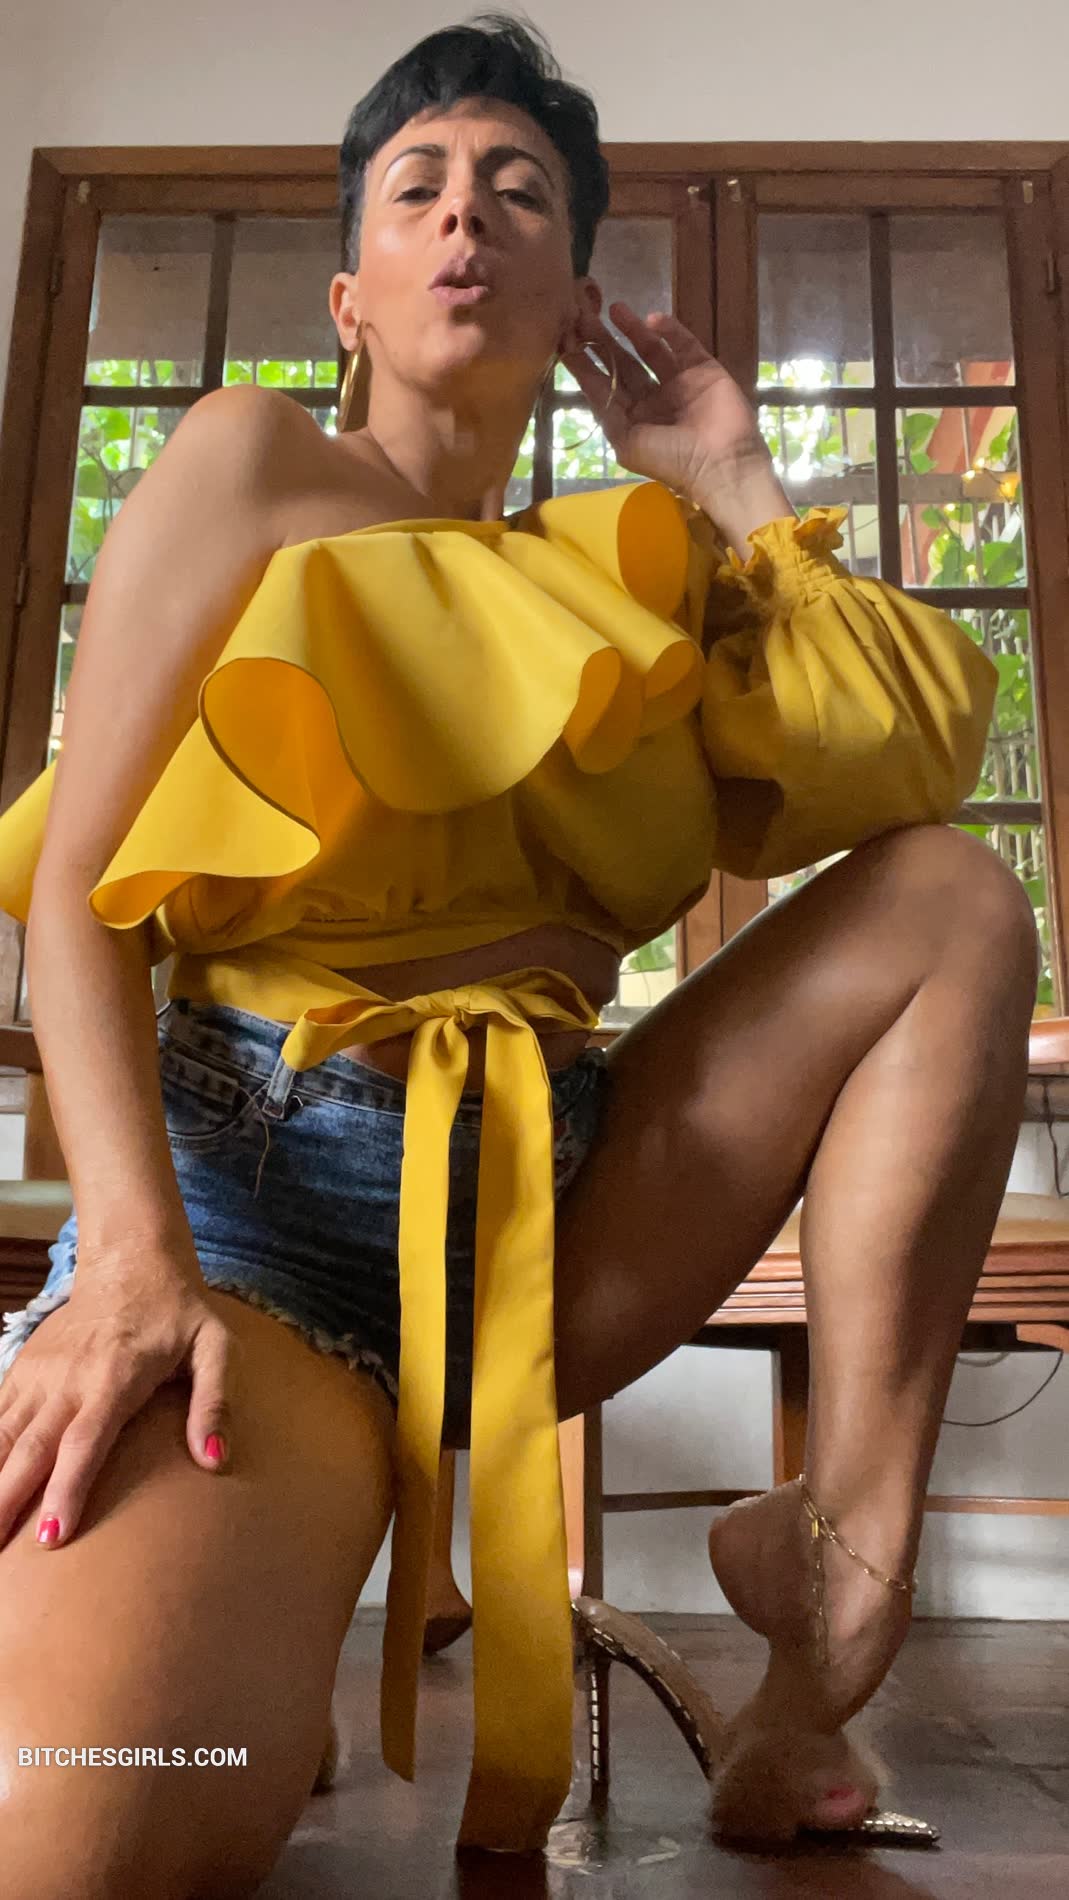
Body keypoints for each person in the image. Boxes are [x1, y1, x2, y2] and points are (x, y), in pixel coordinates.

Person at [0, 10, 1039, 1890]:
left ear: (570, 292)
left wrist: (728, 469)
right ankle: (255, 1586)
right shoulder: (250, 463)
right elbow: (75, 900)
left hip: (553, 1212)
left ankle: (829, 1604)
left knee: (954, 898)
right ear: (349, 293)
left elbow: (904, 756)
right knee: (76, 1816)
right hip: (248, 1225)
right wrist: (131, 1269)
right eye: (417, 188)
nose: (466, 214)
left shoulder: (626, 561)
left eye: (518, 192)